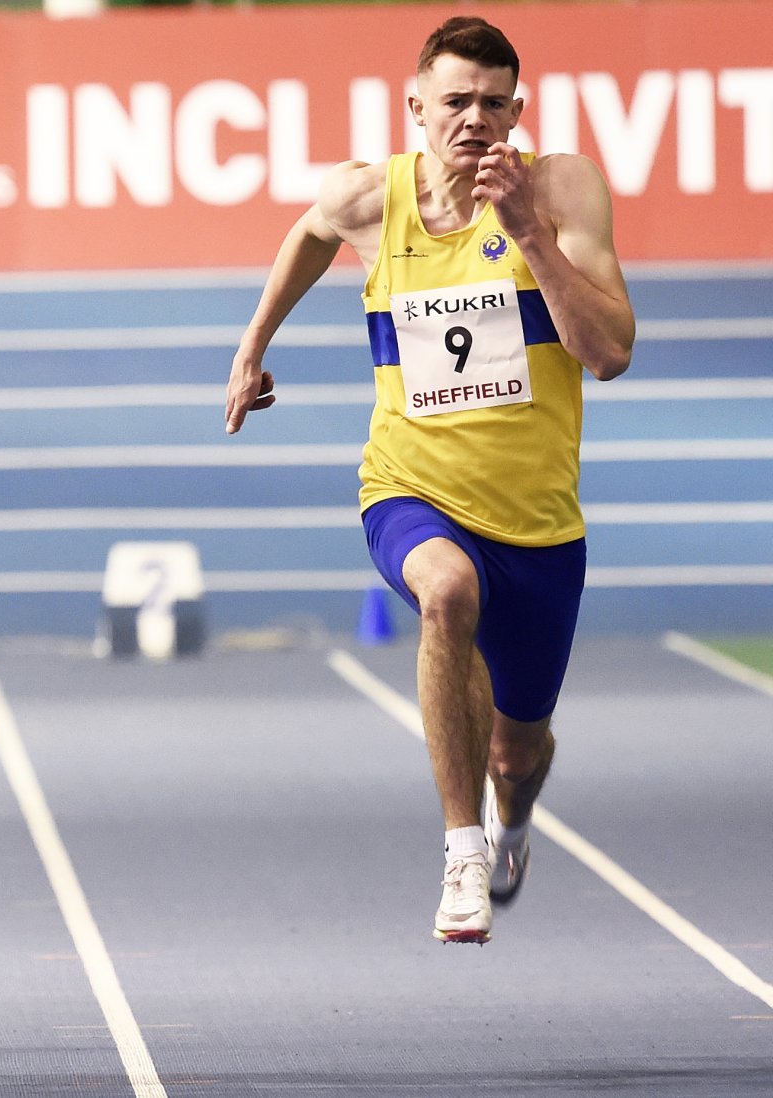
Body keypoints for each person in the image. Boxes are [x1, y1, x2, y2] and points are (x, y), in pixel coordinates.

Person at [224, 16, 633, 945]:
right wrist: (253, 347)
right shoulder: (370, 196)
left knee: (516, 748)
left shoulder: (561, 189)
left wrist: (529, 232)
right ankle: (462, 857)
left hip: (538, 524)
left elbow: (608, 353)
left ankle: (512, 813)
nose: (474, 120)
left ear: (517, 111)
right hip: (409, 488)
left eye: (494, 104)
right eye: (455, 102)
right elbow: (309, 234)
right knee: (445, 592)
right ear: (415, 107)